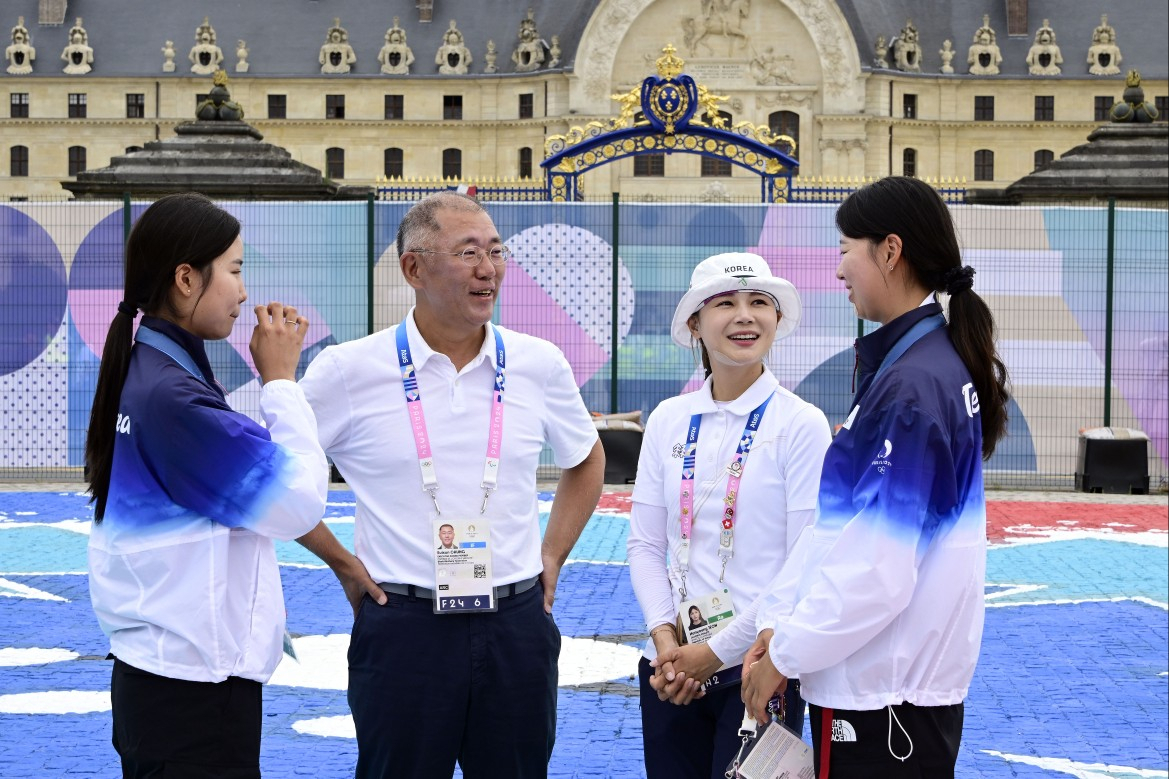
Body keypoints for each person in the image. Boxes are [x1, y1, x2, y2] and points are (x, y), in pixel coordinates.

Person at [296, 191, 606, 779]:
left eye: (495, 252)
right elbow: (274, 477)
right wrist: (341, 562)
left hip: (515, 622)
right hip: (404, 628)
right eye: (467, 253)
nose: (488, 269)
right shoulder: (348, 370)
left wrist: (553, 554)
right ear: (414, 269)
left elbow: (586, 459)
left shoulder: (538, 363)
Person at [741, 176, 1010, 776]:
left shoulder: (913, 384)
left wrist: (783, 654)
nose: (838, 270)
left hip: (882, 700)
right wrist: (777, 623)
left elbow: (878, 568)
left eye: (845, 249)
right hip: (886, 692)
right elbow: (840, 528)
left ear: (889, 251)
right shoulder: (913, 367)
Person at [85, 193, 330, 778]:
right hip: (191, 690)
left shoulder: (152, 368)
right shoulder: (172, 396)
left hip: (163, 675)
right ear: (187, 278)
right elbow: (297, 500)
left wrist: (343, 564)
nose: (244, 293)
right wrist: (280, 383)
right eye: (237, 270)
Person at [628, 253, 832, 778]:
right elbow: (646, 545)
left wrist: (716, 653)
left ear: (777, 320)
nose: (745, 315)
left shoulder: (801, 424)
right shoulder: (669, 420)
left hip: (759, 673)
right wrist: (667, 643)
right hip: (673, 673)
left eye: (759, 302)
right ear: (695, 324)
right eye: (725, 303)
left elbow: (800, 563)